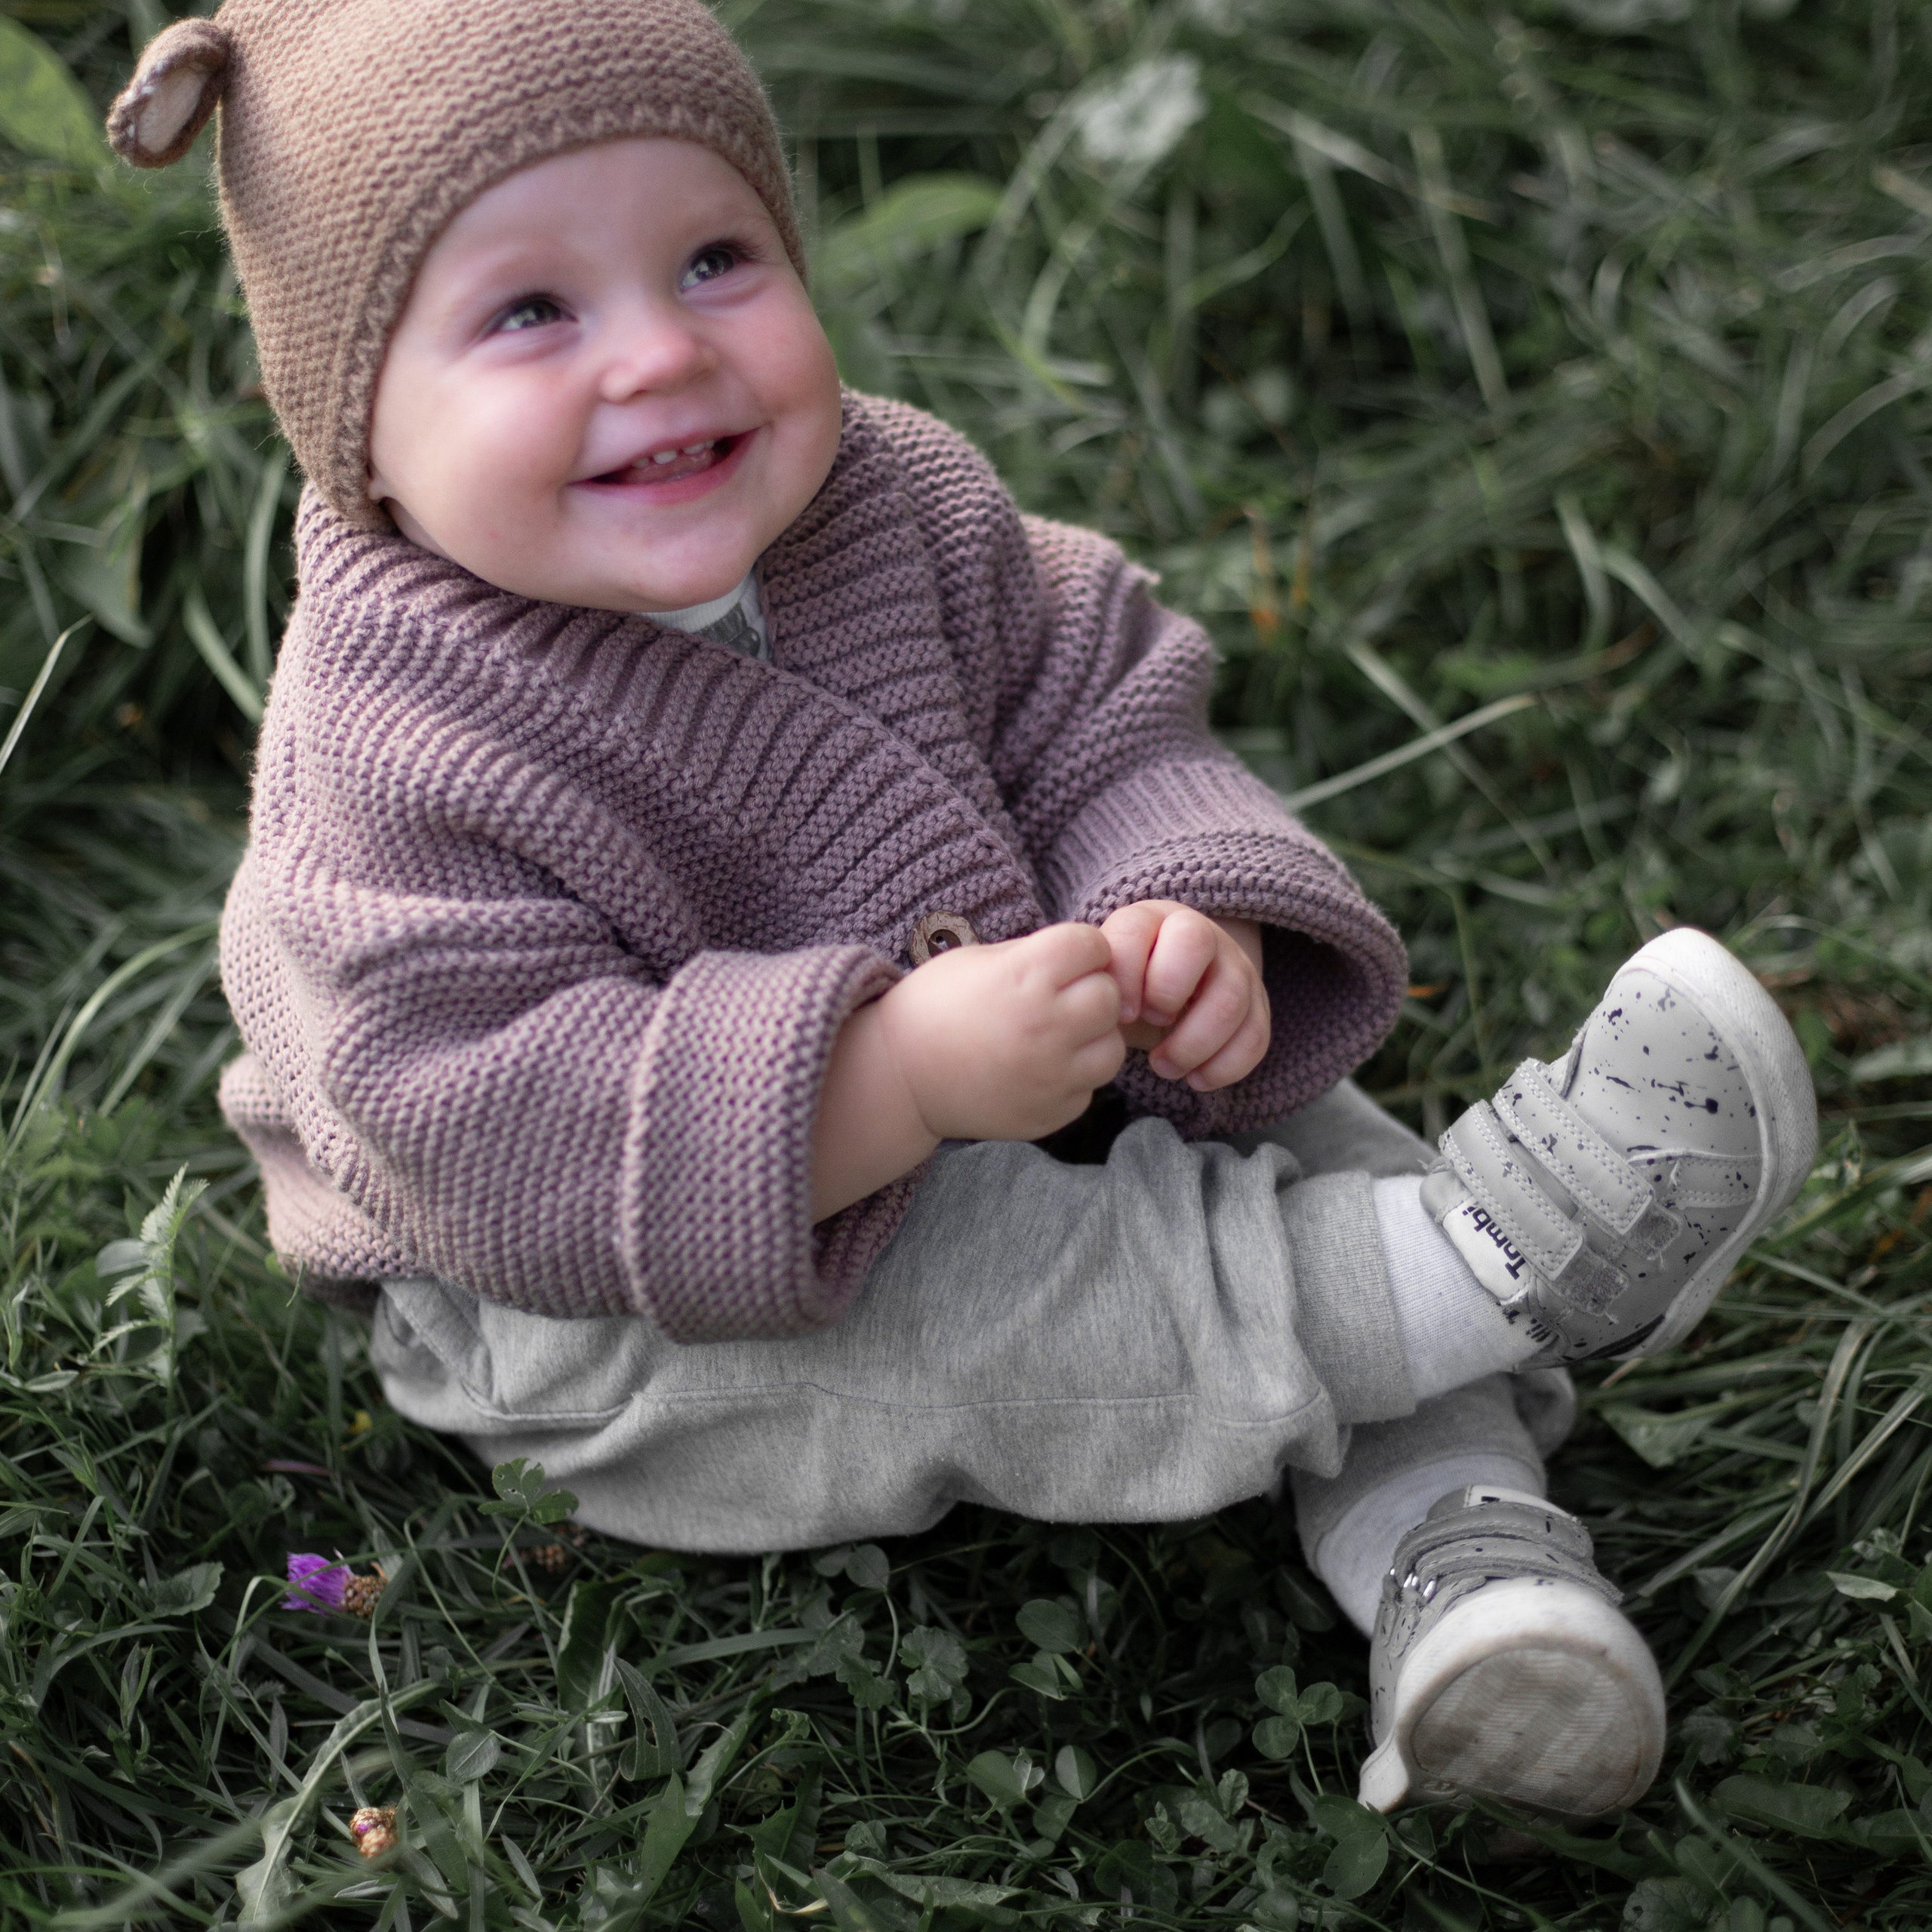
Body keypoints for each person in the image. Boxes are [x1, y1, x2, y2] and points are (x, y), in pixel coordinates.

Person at [108, 0, 1816, 1820]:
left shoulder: (889, 494)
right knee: (990, 1294)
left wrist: (1175, 909)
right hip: (618, 1297)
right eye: (532, 312)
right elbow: (486, 1114)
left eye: (715, 256)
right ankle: (1487, 1263)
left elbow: (1086, 702)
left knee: (1271, 1114)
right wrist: (895, 1081)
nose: (663, 354)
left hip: (1015, 1037)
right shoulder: (393, 747)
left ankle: (1468, 1570)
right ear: (349, 413)